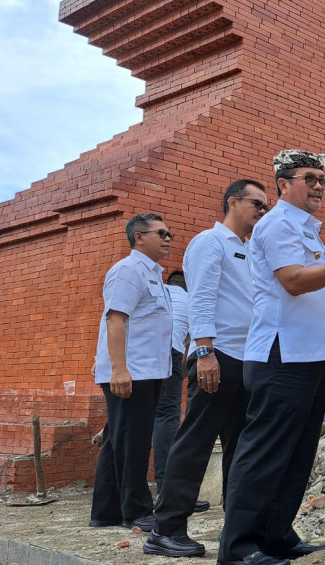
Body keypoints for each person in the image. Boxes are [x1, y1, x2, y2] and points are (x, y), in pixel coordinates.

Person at [217, 151, 325, 565]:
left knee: (296, 452)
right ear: (282, 183)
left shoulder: (308, 232)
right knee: (265, 451)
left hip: (311, 356)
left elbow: (317, 285)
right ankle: (238, 548)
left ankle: (276, 536)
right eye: (309, 178)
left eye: (324, 181)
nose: (318, 187)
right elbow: (292, 282)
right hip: (280, 354)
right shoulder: (276, 225)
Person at [145, 179, 268, 558]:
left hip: (248, 359)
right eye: (257, 204)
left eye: (265, 207)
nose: (262, 212)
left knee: (242, 446)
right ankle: (165, 530)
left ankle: (240, 528)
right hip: (218, 355)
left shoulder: (249, 249)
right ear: (233, 202)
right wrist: (204, 351)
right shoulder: (209, 243)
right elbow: (201, 298)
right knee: (195, 442)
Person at [89, 213, 174, 533]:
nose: (168, 238)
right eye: (161, 233)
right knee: (133, 443)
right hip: (131, 373)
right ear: (139, 237)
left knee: (117, 441)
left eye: (170, 234)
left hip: (147, 371)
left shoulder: (152, 274)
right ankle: (137, 512)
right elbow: (115, 320)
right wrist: (119, 369)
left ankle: (106, 512)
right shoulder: (128, 271)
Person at [153, 270, 187, 497]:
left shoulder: (159, 291)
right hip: (170, 353)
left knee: (133, 417)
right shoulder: (191, 299)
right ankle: (167, 490)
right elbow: (189, 348)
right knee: (166, 418)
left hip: (140, 354)